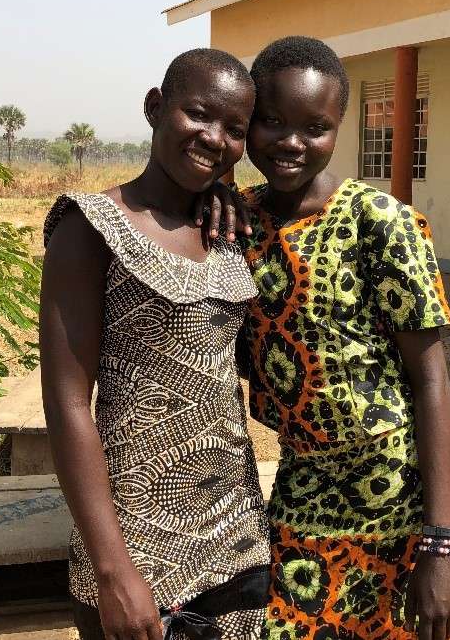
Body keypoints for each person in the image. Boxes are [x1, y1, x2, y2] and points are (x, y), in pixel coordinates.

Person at [209, 36, 450, 640]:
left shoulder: (381, 224)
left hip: (393, 500)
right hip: (301, 481)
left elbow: (431, 380)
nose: (291, 142)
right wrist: (218, 190)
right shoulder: (238, 219)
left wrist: (440, 543)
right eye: (272, 122)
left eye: (316, 126)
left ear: (338, 130)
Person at [40, 49, 271, 640]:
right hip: (137, 548)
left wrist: (222, 188)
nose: (214, 138)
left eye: (235, 130)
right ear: (154, 108)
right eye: (198, 114)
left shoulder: (225, 230)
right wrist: (114, 572)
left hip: (237, 533)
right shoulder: (89, 229)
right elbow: (67, 406)